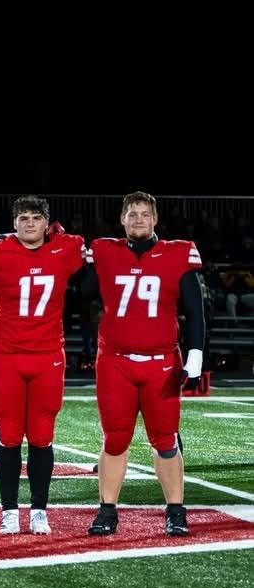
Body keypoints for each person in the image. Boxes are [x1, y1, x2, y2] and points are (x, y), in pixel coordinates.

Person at [83, 192, 204, 536]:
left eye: (144, 214)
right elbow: (82, 291)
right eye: (131, 213)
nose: (138, 219)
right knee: (115, 438)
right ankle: (107, 509)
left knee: (165, 440)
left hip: (162, 361)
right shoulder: (105, 251)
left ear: (155, 219)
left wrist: (194, 357)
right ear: (122, 219)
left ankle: (176, 510)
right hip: (115, 361)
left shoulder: (177, 253)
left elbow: (195, 311)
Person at [0, 196, 84, 535]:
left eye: (36, 218)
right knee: (8, 435)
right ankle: (9, 509)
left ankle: (38, 508)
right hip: (6, 354)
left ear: (46, 222)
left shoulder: (67, 249)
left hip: (48, 353)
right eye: (23, 218)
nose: (29, 224)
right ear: (14, 222)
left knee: (41, 435)